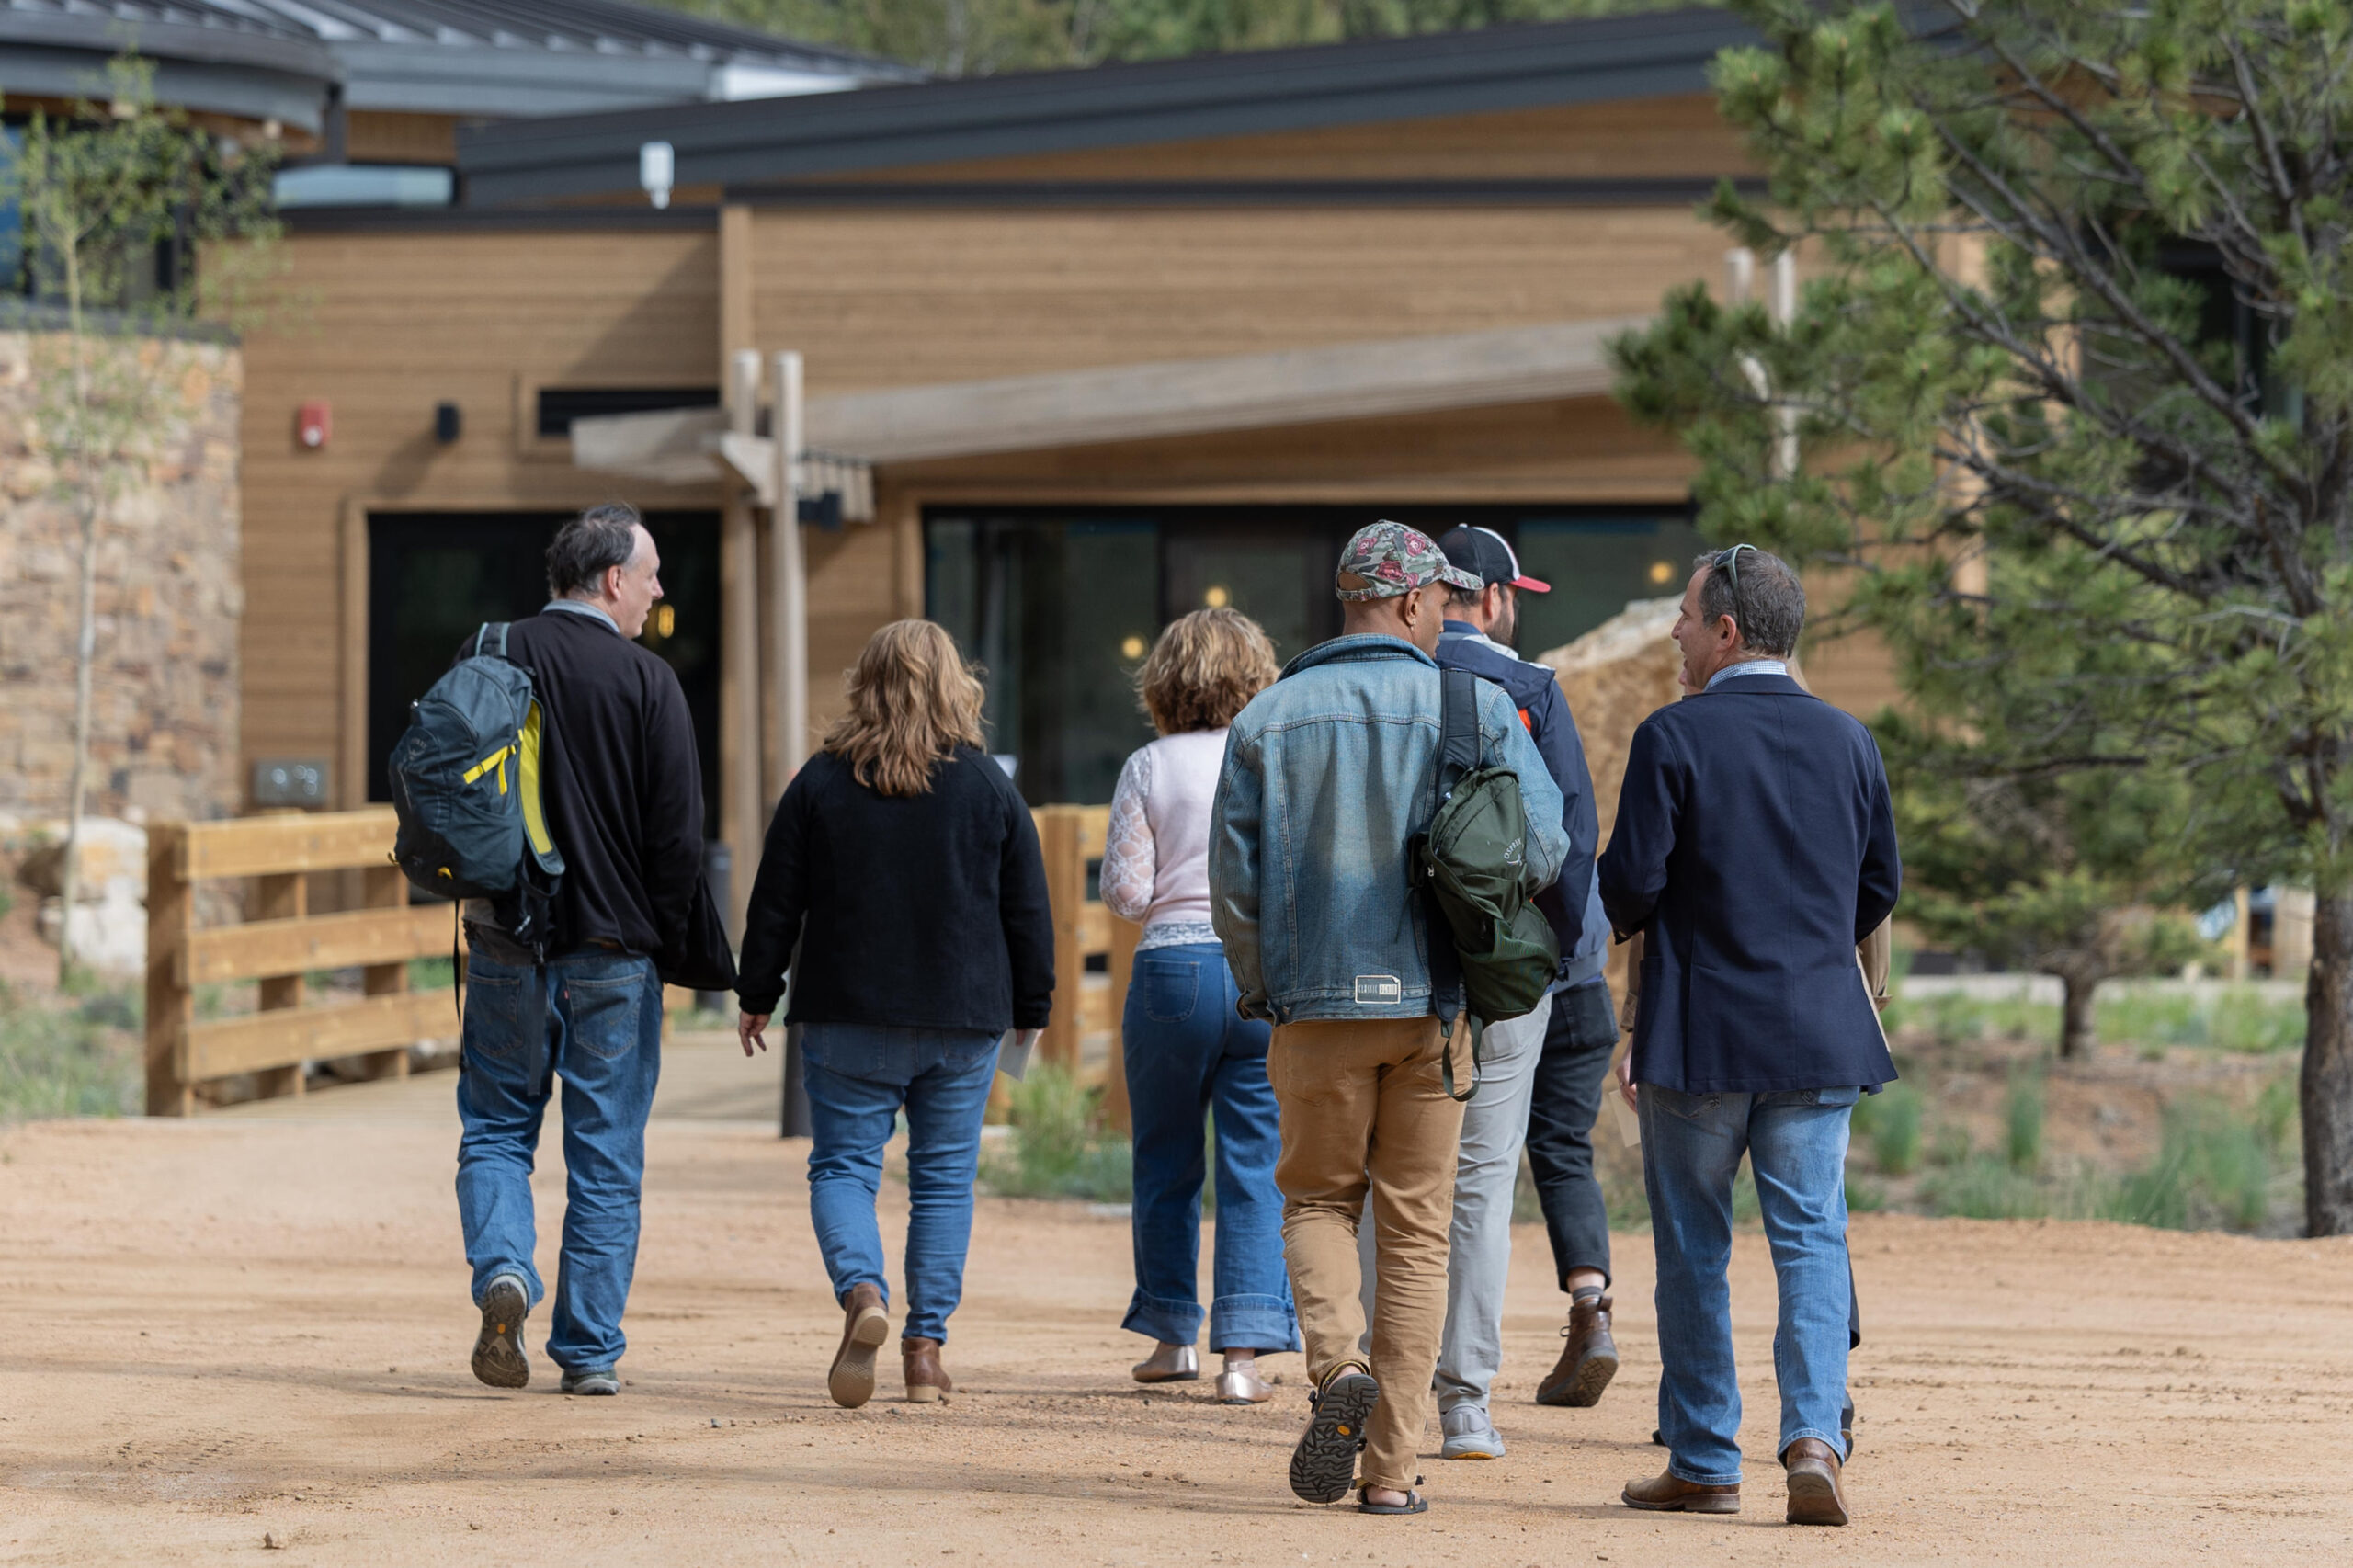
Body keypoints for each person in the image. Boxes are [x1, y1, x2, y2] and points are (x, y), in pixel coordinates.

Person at [1210, 521, 1567, 1517]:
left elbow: (1231, 888)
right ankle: (1391, 1471)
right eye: (1443, 600)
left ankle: (1333, 1371)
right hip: (1434, 1005)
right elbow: (1544, 845)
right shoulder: (1478, 705)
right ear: (1415, 604)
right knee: (1415, 1231)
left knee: (1319, 1200)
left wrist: (1261, 986)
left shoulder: (1267, 717)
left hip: (1313, 1005)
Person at [1599, 545, 1899, 1528]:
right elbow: (1877, 887)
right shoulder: (1850, 740)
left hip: (1701, 1031)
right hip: (1819, 1031)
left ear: (1726, 630)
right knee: (1810, 1236)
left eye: (1685, 616)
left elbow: (1631, 888)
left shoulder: (1671, 737)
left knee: (1692, 1246)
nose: (1677, 632)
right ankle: (1814, 1437)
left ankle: (1702, 1458)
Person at [734, 619, 1053, 1410]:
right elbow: (1028, 909)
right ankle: (924, 1351)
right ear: (956, 686)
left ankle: (863, 1293)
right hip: (963, 1013)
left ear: (863, 685)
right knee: (943, 1182)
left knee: (844, 1166)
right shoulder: (988, 787)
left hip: (848, 1012)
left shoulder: (821, 782)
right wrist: (1032, 1006)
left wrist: (755, 991)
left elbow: (777, 898)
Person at [459, 503, 734, 1397]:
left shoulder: (492, 651)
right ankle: (590, 1353)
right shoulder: (648, 683)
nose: (659, 592)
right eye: (650, 575)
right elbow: (678, 840)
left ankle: (505, 1268)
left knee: (498, 1129)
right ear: (612, 578)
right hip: (613, 954)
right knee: (606, 1150)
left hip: (506, 939)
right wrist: (659, 936)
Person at [1351, 523, 1614, 1461]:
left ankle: (1389, 1389)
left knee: (1391, 1180)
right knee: (1480, 1183)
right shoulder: (1527, 689)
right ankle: (1465, 1404)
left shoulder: (1372, 685)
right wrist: (1555, 960)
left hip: (1382, 971)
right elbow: (1567, 845)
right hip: (1499, 975)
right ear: (1493, 598)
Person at [1102, 608, 1301, 1403]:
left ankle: (1170, 1336)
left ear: (1164, 681)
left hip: (1172, 972)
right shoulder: (1274, 758)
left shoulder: (1149, 765)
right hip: (1257, 971)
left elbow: (1124, 893)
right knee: (1257, 1164)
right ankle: (1243, 1359)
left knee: (1165, 1159)